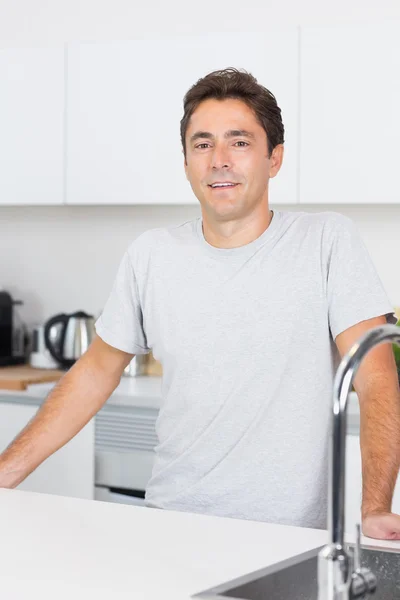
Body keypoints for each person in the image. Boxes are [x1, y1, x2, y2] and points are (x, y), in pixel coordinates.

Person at [1, 68, 399, 540]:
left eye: (240, 142)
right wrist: (5, 470)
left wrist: (375, 505)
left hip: (284, 540)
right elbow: (94, 373)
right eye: (203, 143)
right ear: (187, 161)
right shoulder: (151, 254)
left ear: (274, 159)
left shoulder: (326, 242)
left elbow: (375, 377)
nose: (219, 160)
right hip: (171, 526)